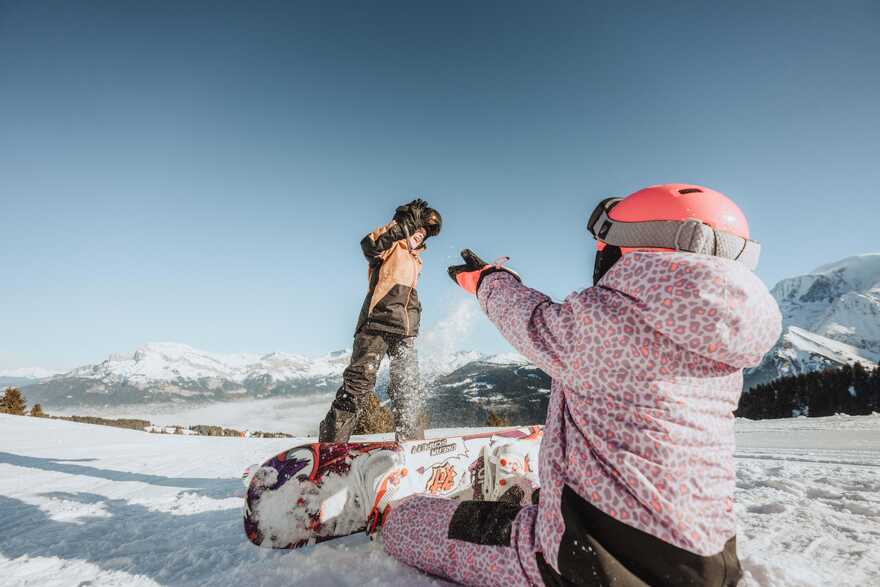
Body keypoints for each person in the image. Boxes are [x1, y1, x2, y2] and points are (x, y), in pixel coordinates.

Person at [379, 184, 782, 586]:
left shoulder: (606, 321)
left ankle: (397, 514)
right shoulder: (722, 335)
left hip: (595, 560)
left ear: (635, 249)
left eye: (606, 244)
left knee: (409, 524)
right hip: (707, 560)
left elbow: (529, 320)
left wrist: (488, 280)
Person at [319, 198, 442, 443]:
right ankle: (330, 447)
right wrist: (399, 226)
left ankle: (412, 446)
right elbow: (370, 245)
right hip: (376, 325)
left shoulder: (416, 259)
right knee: (357, 387)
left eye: (425, 233)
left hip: (405, 332)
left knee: (408, 391)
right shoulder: (391, 246)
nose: (421, 234)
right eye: (418, 228)